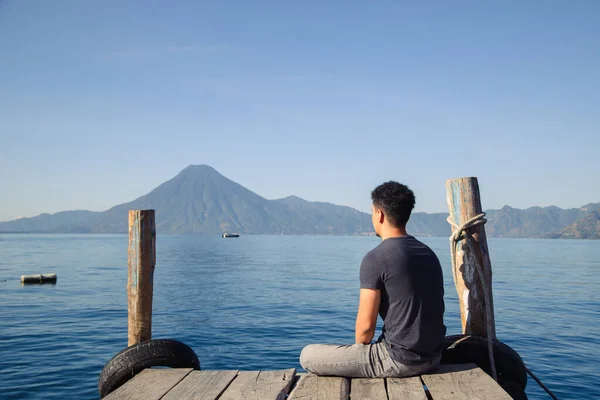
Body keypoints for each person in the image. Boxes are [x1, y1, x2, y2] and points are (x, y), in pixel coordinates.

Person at [299, 181, 446, 378]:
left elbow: (364, 332)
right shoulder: (429, 254)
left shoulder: (376, 258)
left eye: (371, 211)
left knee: (308, 355)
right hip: (433, 357)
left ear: (379, 214)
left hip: (399, 361)